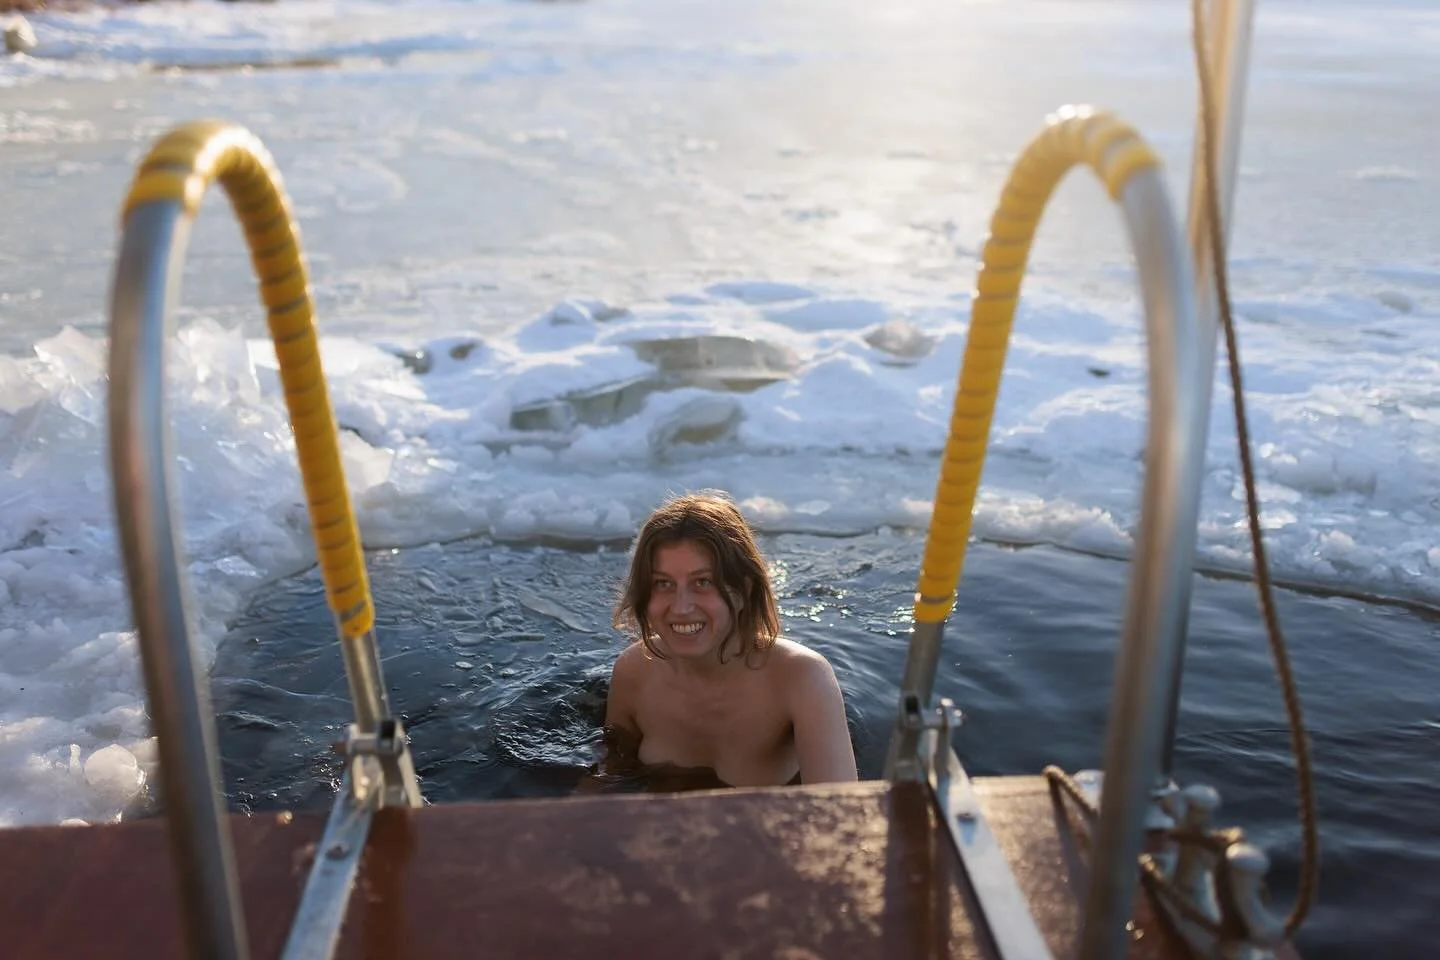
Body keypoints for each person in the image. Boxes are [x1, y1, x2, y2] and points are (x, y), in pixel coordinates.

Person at [602, 491, 858, 788]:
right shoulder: (634, 671)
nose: (681, 607)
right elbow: (606, 785)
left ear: (743, 589)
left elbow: (840, 815)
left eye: (703, 582)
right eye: (663, 583)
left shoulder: (801, 679)